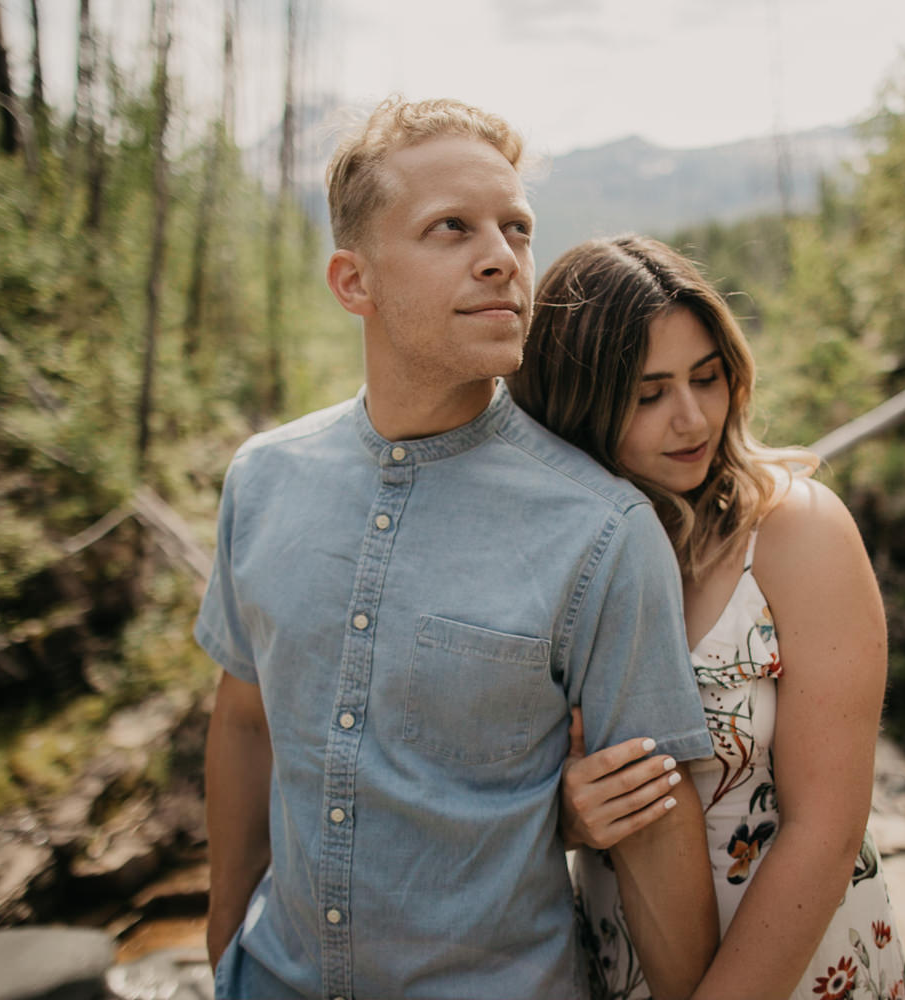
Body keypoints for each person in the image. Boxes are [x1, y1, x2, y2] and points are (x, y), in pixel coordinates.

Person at [194, 99, 721, 1000]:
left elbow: (650, 819)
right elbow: (245, 722)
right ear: (353, 283)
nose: (504, 259)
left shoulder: (602, 528)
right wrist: (224, 947)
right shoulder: (262, 479)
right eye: (452, 228)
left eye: (517, 228)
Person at [509, 235, 905, 1000]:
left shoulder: (797, 533)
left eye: (706, 378)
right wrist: (565, 817)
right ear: (574, 403)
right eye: (647, 393)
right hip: (619, 957)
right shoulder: (553, 560)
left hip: (793, 962)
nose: (691, 419)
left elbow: (825, 832)